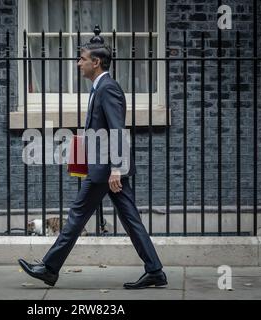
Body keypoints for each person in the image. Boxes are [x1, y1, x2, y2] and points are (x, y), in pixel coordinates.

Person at [18, 28, 167, 290]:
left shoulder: (107, 89)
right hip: (104, 168)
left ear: (95, 62)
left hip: (107, 171)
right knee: (130, 219)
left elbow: (118, 130)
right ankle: (155, 270)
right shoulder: (100, 88)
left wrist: (116, 169)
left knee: (77, 215)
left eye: (82, 58)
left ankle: (50, 268)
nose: (78, 63)